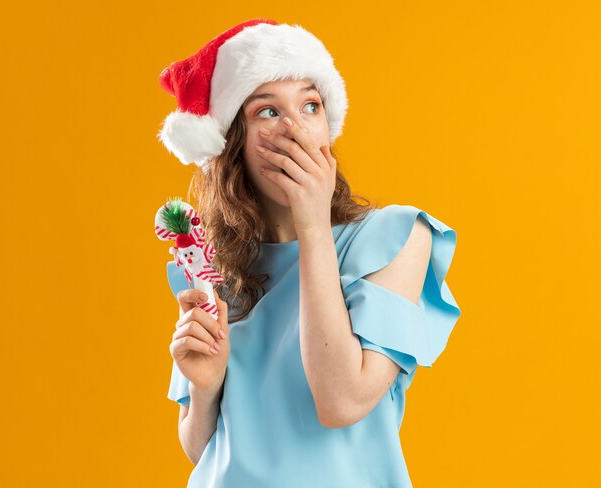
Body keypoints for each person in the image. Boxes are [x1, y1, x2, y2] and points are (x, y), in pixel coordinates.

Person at [157, 18, 462, 488]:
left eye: (310, 104)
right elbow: (204, 451)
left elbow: (342, 402)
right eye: (267, 112)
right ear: (233, 143)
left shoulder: (397, 239)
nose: (295, 127)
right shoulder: (212, 268)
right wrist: (205, 385)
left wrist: (313, 223)